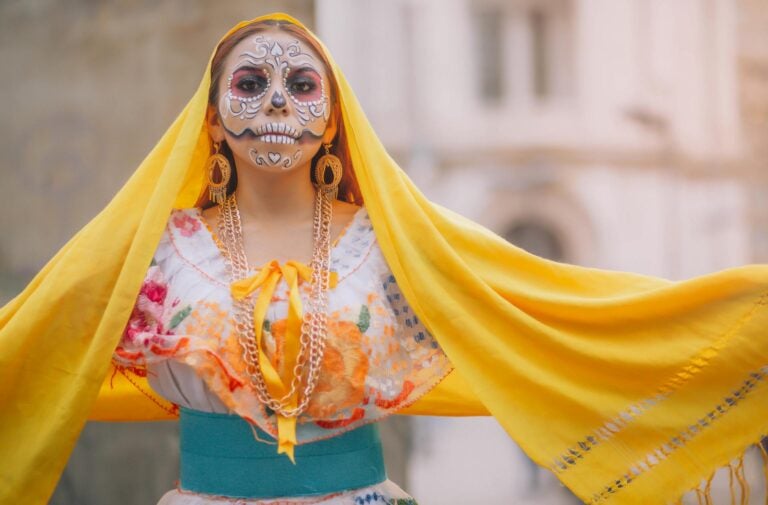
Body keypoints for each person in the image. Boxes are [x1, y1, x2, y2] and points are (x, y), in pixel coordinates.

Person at [2, 12, 768, 505]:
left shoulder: (394, 246)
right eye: (250, 83)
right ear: (211, 115)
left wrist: (728, 320)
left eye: (302, 85)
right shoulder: (158, 252)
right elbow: (32, 338)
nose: (276, 103)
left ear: (334, 114)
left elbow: (557, 308)